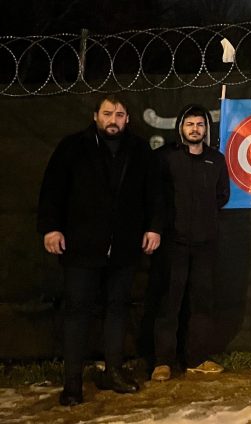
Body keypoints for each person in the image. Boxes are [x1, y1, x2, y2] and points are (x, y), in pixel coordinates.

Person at [37, 95, 163, 406]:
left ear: (127, 119)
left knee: (118, 309)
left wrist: (154, 227)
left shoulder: (140, 150)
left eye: (119, 114)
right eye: (107, 113)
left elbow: (155, 193)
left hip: (124, 248)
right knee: (77, 312)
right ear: (96, 116)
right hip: (81, 246)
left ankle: (113, 372)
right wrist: (51, 228)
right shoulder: (72, 147)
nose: (113, 120)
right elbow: (52, 189)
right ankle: (72, 383)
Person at [151, 105, 230, 381]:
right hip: (173, 244)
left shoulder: (216, 160)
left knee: (201, 303)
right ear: (181, 127)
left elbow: (222, 196)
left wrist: (204, 220)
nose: (195, 129)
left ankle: (197, 359)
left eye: (200, 124)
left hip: (205, 245)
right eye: (190, 124)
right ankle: (162, 362)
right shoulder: (166, 158)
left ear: (206, 129)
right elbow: (156, 196)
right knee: (168, 303)